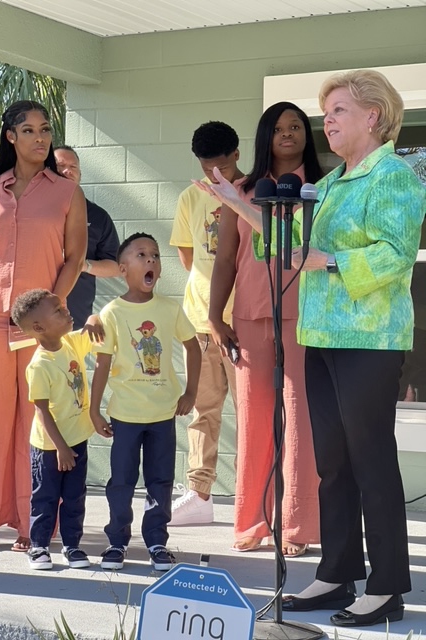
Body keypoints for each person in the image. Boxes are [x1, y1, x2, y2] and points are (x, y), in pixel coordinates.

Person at [199, 70, 426, 627]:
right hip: (320, 337)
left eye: (339, 110)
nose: (329, 120)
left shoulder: (392, 176)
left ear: (373, 116)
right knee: (333, 464)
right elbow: (288, 242)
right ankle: (337, 573)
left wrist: (333, 260)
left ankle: (387, 587)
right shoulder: (329, 185)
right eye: (328, 111)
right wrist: (236, 203)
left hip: (369, 340)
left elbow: (396, 254)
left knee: (371, 460)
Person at [0, 100, 87, 552]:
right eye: (29, 130)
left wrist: (52, 311)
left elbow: (75, 258)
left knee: (37, 421)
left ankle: (33, 522)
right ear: (11, 137)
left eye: (45, 129)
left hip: (39, 325)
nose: (40, 138)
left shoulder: (67, 193)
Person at [205, 104, 322, 555]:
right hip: (250, 316)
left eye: (295, 126)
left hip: (305, 314)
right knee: (254, 419)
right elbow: (225, 259)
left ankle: (295, 526)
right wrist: (215, 317)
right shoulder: (241, 190)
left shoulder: (322, 187)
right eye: (278, 128)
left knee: (300, 420)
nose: (287, 134)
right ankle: (253, 521)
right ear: (264, 137)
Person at [89, 232, 201, 571]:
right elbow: (103, 364)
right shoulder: (112, 312)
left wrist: (191, 392)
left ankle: (156, 541)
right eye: (141, 255)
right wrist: (94, 410)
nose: (150, 259)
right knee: (121, 481)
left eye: (155, 255)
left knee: (160, 481)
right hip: (125, 415)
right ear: (123, 269)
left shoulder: (169, 308)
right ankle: (117, 542)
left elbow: (192, 346)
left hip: (162, 415)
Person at [169, 121, 242, 525]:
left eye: (222, 167)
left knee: (253, 412)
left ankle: (257, 495)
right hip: (200, 320)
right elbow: (189, 258)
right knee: (203, 409)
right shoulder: (190, 197)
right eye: (206, 167)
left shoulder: (252, 192)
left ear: (237, 155)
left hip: (244, 323)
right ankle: (199, 495)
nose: (214, 175)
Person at [10, 289, 95, 570]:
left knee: (74, 498)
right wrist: (61, 449)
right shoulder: (39, 366)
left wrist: (94, 319)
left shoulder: (71, 343)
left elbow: (96, 326)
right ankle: (39, 547)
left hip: (77, 441)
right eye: (58, 310)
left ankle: (72, 546)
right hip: (50, 447)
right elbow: (42, 411)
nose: (66, 311)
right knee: (45, 498)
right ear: (38, 328)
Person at [54, 146, 120, 329]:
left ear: (80, 175)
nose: (67, 171)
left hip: (76, 317)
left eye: (73, 167)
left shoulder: (98, 216)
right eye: (60, 166)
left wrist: (82, 265)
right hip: (34, 315)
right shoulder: (31, 211)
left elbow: (116, 267)